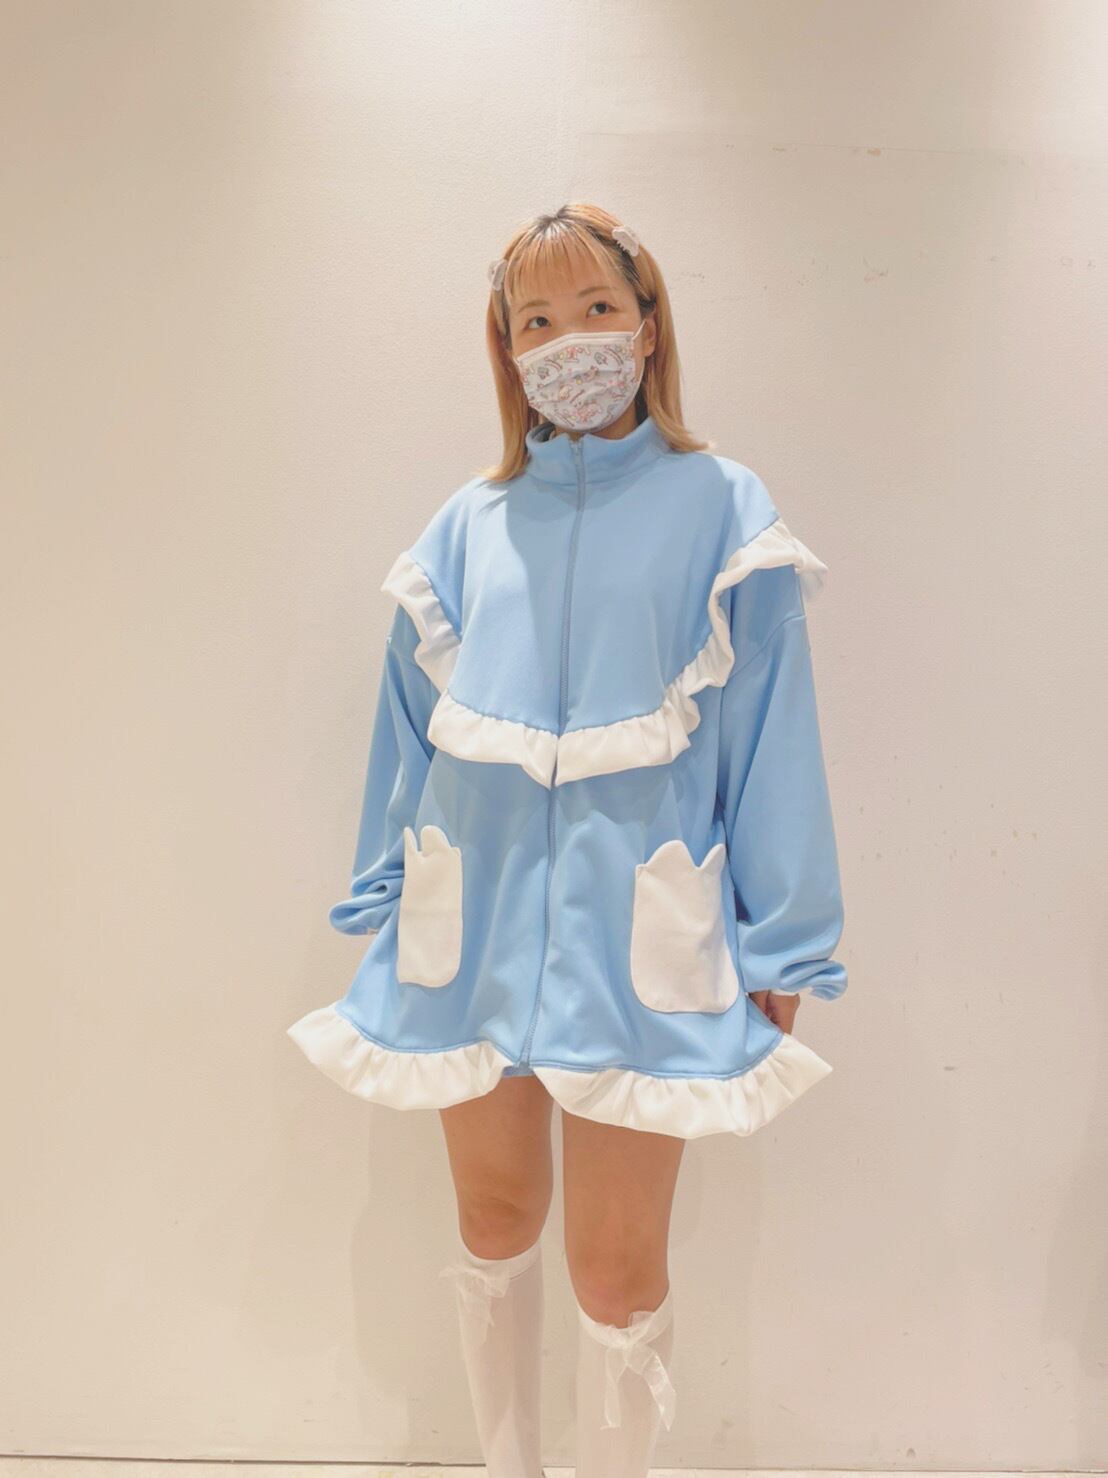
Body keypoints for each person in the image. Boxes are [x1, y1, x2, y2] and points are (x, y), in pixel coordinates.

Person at [287, 201, 849, 1478]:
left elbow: (772, 730)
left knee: (613, 1265)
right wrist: (383, 890)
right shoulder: (465, 524)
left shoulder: (724, 509)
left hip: (639, 922)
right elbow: (405, 725)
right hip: (469, 914)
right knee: (492, 1218)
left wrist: (788, 937)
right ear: (506, 351)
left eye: (596, 307)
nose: (569, 341)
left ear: (647, 325)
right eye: (535, 320)